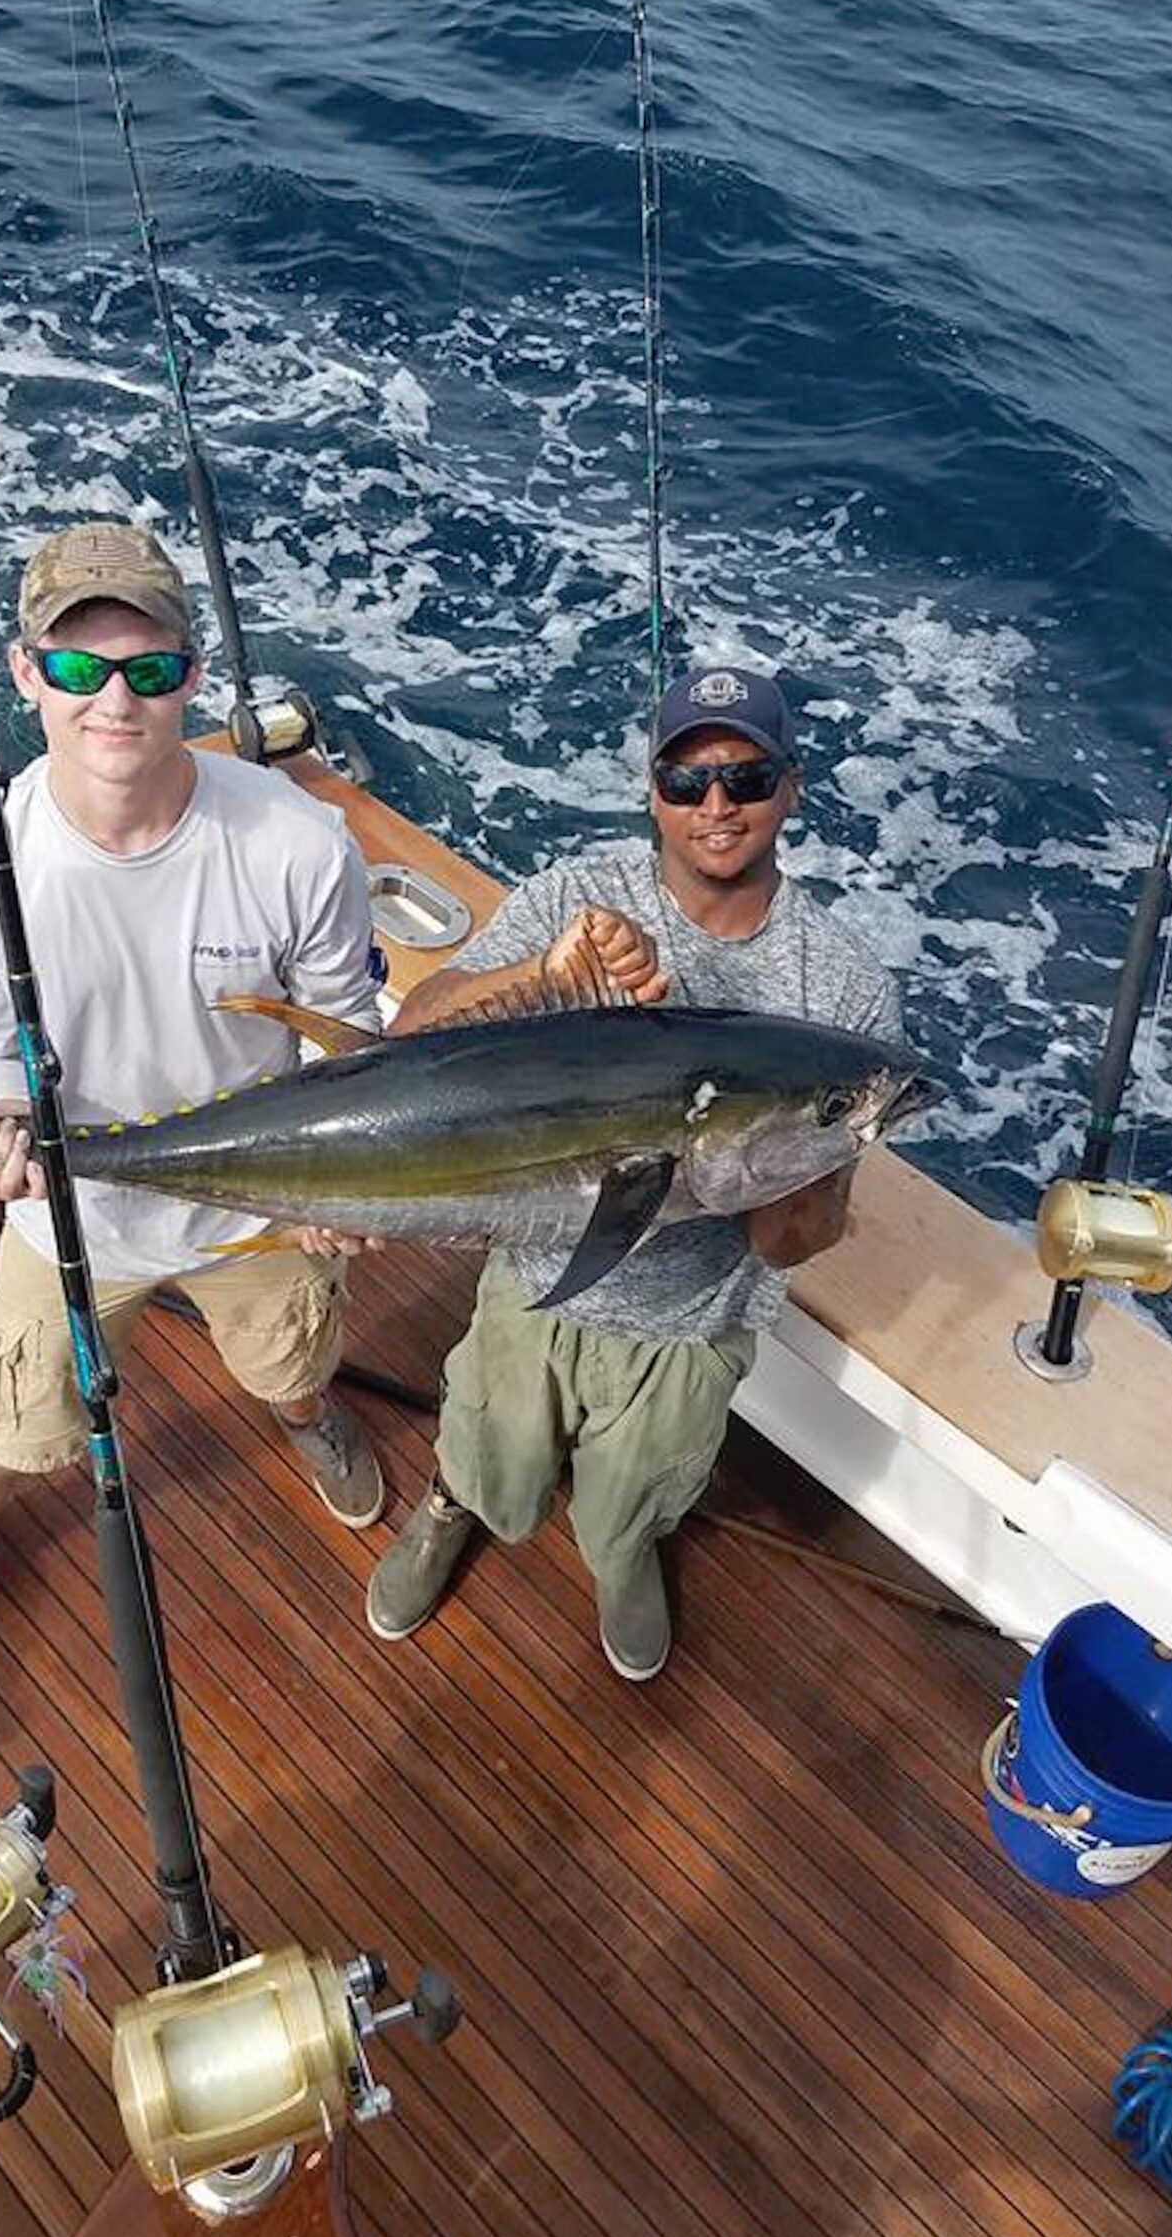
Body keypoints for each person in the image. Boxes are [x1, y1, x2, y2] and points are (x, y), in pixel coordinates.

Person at [0, 519, 386, 1704]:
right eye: (78, 667)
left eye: (149, 669)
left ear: (192, 677)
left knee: (291, 1359)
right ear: (26, 673)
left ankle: (306, 1416)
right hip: (71, 1220)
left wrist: (343, 1184)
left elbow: (347, 1049)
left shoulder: (299, 842)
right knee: (6, 1423)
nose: (115, 699)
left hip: (262, 1205)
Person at [366, 663, 902, 1681]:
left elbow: (788, 1239)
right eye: (686, 779)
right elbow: (414, 1037)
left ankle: (624, 1553)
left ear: (791, 788)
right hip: (535, 1277)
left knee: (632, 1500)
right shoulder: (578, 895)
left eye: (748, 778)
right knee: (487, 1458)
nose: (716, 805)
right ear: (652, 792)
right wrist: (543, 975)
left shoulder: (844, 988)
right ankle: (449, 1501)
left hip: (693, 1322)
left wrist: (811, 1150)